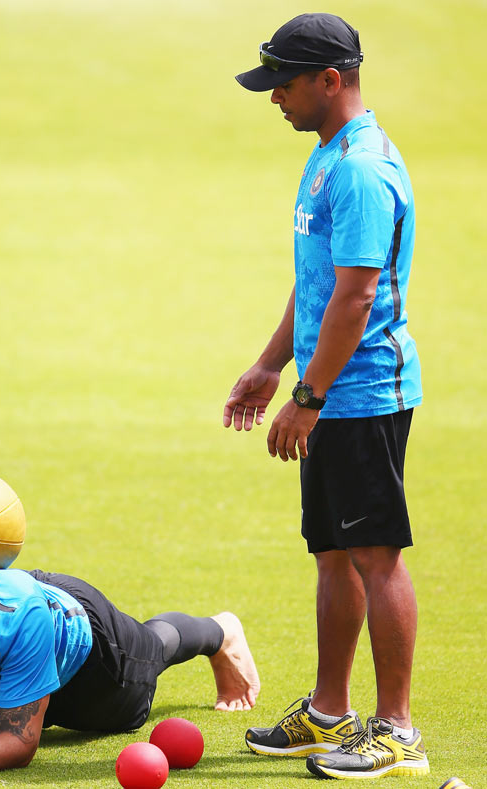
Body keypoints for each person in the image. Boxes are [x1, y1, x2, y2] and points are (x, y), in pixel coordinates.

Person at [224, 13, 428, 780]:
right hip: (329, 388)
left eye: (283, 82)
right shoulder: (326, 157)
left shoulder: (361, 168)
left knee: (377, 555)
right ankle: (329, 712)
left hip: (363, 392)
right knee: (334, 555)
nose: (274, 95)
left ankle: (398, 729)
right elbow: (316, 284)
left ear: (330, 81)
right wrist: (272, 364)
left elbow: (355, 297)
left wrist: (308, 395)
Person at [0, 530, 260, 777]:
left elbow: (19, 744)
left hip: (81, 645)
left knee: (150, 655)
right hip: (15, 629)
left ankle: (221, 631)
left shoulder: (14, 621)